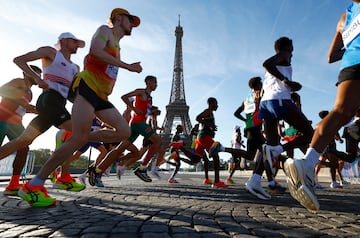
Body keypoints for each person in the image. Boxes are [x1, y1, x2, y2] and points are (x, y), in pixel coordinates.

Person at [18, 8, 142, 207]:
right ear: (118, 18)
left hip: (101, 95)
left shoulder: (117, 45)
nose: (132, 25)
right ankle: (34, 184)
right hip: (87, 88)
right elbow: (94, 52)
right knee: (78, 138)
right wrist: (127, 66)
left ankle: (81, 135)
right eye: (130, 20)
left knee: (123, 131)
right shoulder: (105, 31)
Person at [284, 1, 360, 211]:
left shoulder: (345, 16)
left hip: (350, 64)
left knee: (340, 112)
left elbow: (331, 56)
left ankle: (307, 165)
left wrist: (351, 46)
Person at [0, 32, 85, 205]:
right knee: (77, 134)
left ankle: (22, 183)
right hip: (24, 110)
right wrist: (38, 79)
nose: (77, 45)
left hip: (37, 113)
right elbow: (15, 66)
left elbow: (70, 94)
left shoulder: (74, 68)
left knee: (23, 145)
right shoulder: (47, 56)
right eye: (74, 41)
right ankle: (57, 177)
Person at [87, 75, 163, 185]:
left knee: (119, 149)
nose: (156, 85)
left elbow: (144, 110)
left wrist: (152, 112)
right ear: (148, 82)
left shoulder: (150, 98)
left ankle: (97, 170)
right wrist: (134, 109)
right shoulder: (140, 92)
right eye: (154, 82)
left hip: (135, 125)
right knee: (158, 141)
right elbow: (124, 97)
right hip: (138, 123)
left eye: (156, 83)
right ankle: (142, 168)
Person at [258, 36, 313, 179]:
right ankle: (280, 149)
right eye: (291, 50)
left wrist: (293, 85)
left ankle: (257, 181)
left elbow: (274, 82)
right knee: (309, 134)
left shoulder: (275, 68)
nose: (292, 54)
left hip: (266, 103)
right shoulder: (284, 55)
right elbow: (266, 63)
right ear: (286, 49)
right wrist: (286, 80)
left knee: (269, 147)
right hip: (279, 100)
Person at [234, 76, 284, 199]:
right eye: (261, 83)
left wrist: (246, 120)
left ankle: (267, 181)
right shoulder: (259, 94)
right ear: (258, 84)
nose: (262, 84)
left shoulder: (246, 99)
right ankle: (269, 183)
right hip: (256, 128)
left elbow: (236, 113)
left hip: (250, 127)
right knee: (262, 153)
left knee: (261, 153)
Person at [0, 65, 40, 195]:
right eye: (35, 73)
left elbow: (21, 107)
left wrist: (31, 110)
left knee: (24, 149)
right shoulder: (19, 81)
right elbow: (2, 90)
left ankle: (13, 184)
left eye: (39, 74)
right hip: (2, 118)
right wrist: (22, 103)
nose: (38, 76)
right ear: (26, 73)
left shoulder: (30, 93)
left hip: (16, 123)